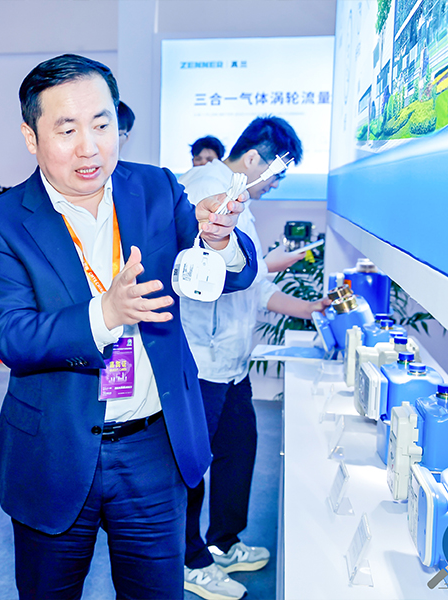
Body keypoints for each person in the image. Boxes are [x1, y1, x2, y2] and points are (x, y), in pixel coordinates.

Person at [0, 54, 258, 600]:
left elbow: (226, 274)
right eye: (67, 130)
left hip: (153, 446)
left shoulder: (155, 188)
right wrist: (105, 313)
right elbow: (11, 336)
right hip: (53, 451)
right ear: (31, 137)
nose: (90, 147)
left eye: (102, 126)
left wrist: (219, 241)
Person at [178, 116, 330, 600]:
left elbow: (256, 285)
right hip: (200, 360)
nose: (275, 186)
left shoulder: (240, 199)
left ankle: (224, 542)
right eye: (277, 175)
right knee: (189, 467)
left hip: (233, 363)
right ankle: (189, 560)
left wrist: (311, 308)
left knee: (239, 451)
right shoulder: (206, 188)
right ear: (254, 159)